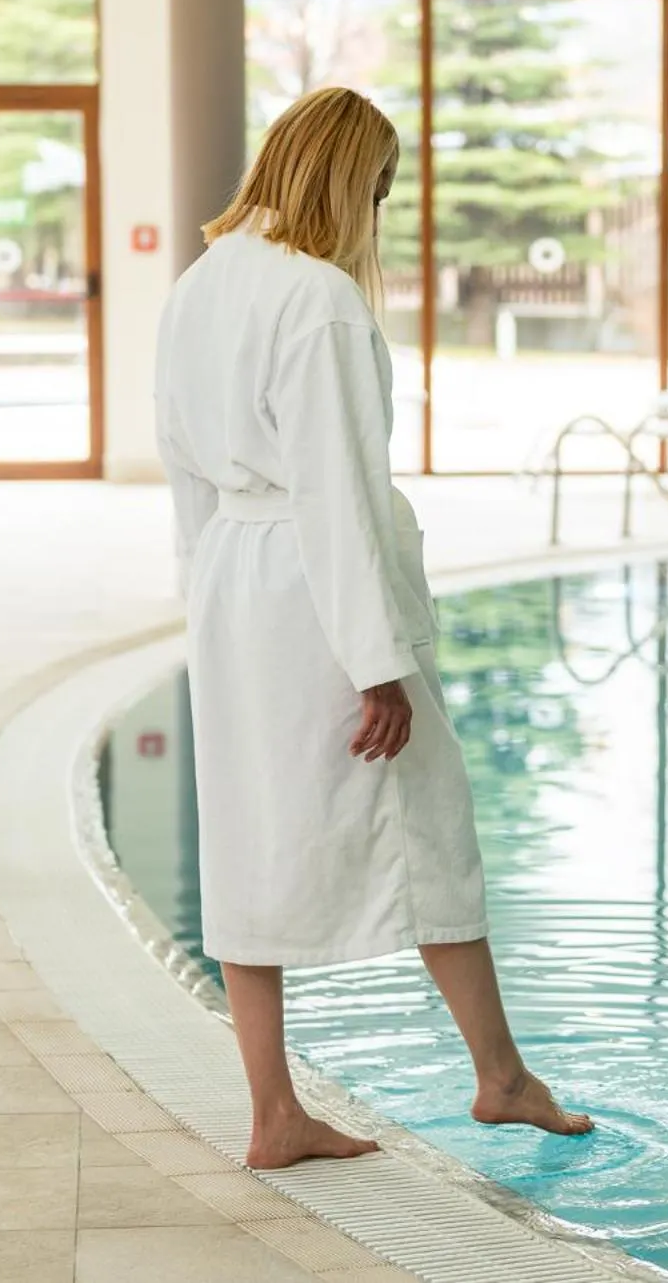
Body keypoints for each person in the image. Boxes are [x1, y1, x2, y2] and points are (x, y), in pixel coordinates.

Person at [155, 87, 592, 1170]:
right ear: (347, 179)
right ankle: (499, 1076)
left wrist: (201, 602)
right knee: (429, 819)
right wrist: (377, 662)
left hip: (230, 587)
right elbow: (336, 492)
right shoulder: (319, 299)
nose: (382, 211)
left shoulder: (198, 285)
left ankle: (272, 1112)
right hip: (312, 594)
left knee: (244, 840)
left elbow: (181, 470)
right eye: (382, 188)